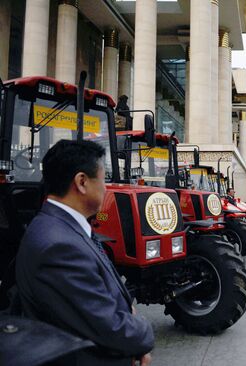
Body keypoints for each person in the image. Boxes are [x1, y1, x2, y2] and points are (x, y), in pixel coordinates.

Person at [15, 140, 154, 365]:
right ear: (81, 182)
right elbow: (110, 327)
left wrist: (128, 314)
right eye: (103, 178)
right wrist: (141, 332)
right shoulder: (58, 247)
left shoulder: (65, 228)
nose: (106, 187)